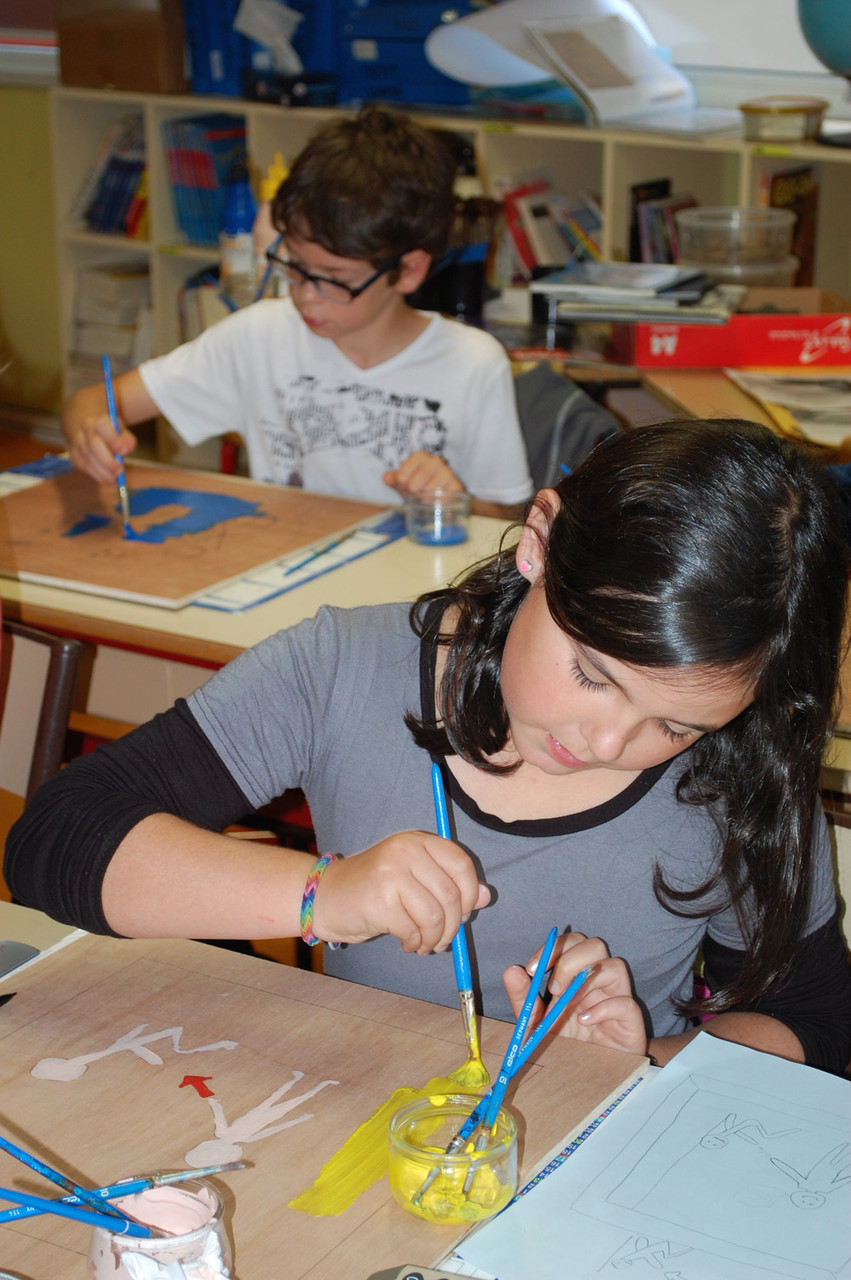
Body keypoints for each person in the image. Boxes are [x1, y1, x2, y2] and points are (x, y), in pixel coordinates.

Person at [6, 420, 851, 1073]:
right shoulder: (345, 668)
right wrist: (318, 896)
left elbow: (814, 1019)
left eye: (675, 727)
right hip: (357, 1110)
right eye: (593, 674)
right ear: (538, 542)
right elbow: (56, 839)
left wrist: (639, 1064)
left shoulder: (741, 774)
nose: (607, 743)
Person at [61, 107, 532, 519]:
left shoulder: (472, 363)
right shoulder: (259, 337)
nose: (305, 295)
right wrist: (90, 432)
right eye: (295, 267)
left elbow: (508, 518)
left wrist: (455, 498)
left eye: (332, 278)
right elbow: (91, 401)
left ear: (408, 271)